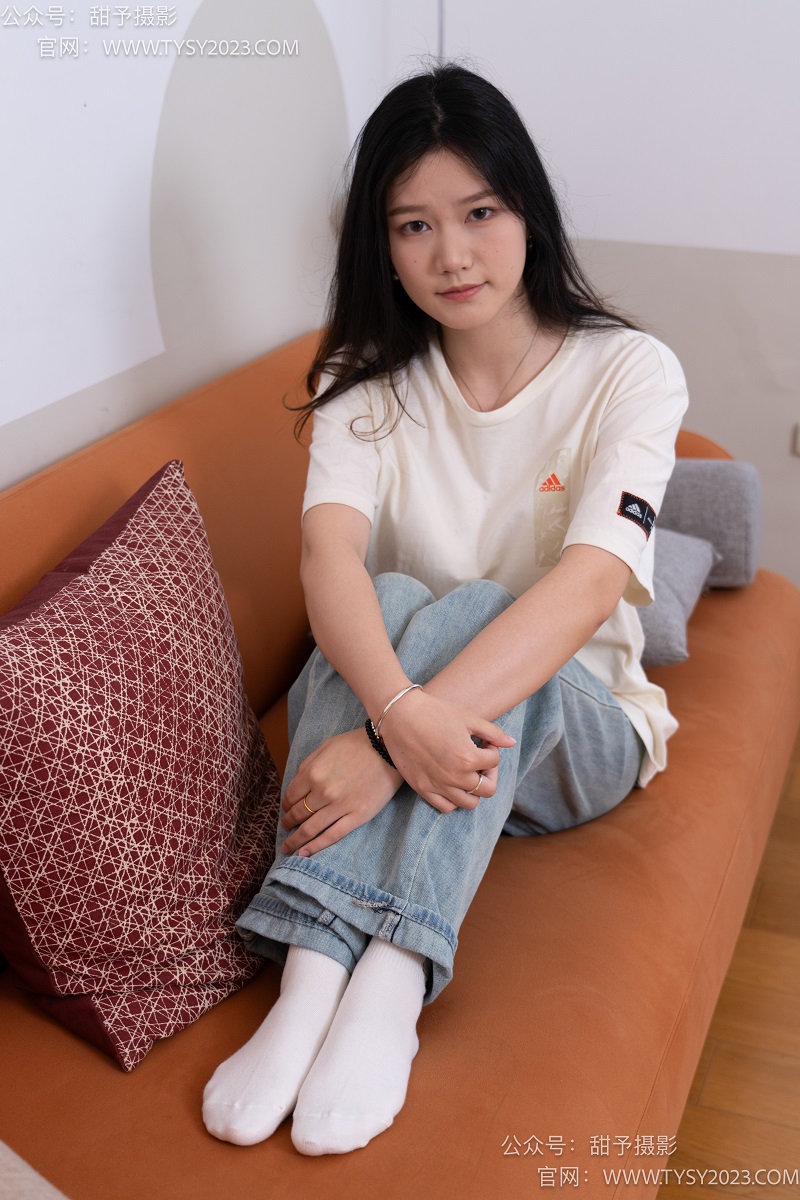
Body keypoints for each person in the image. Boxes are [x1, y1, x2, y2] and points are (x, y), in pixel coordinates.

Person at [202, 63, 688, 1157]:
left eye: (479, 213)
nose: (452, 255)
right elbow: (327, 558)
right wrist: (399, 712)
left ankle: (389, 975)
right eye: (413, 226)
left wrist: (385, 742)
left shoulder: (631, 371)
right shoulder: (363, 377)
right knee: (381, 597)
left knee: (479, 604)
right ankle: (310, 981)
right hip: (426, 721)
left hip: (578, 730)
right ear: (381, 246)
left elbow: (588, 585)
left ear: (529, 212)